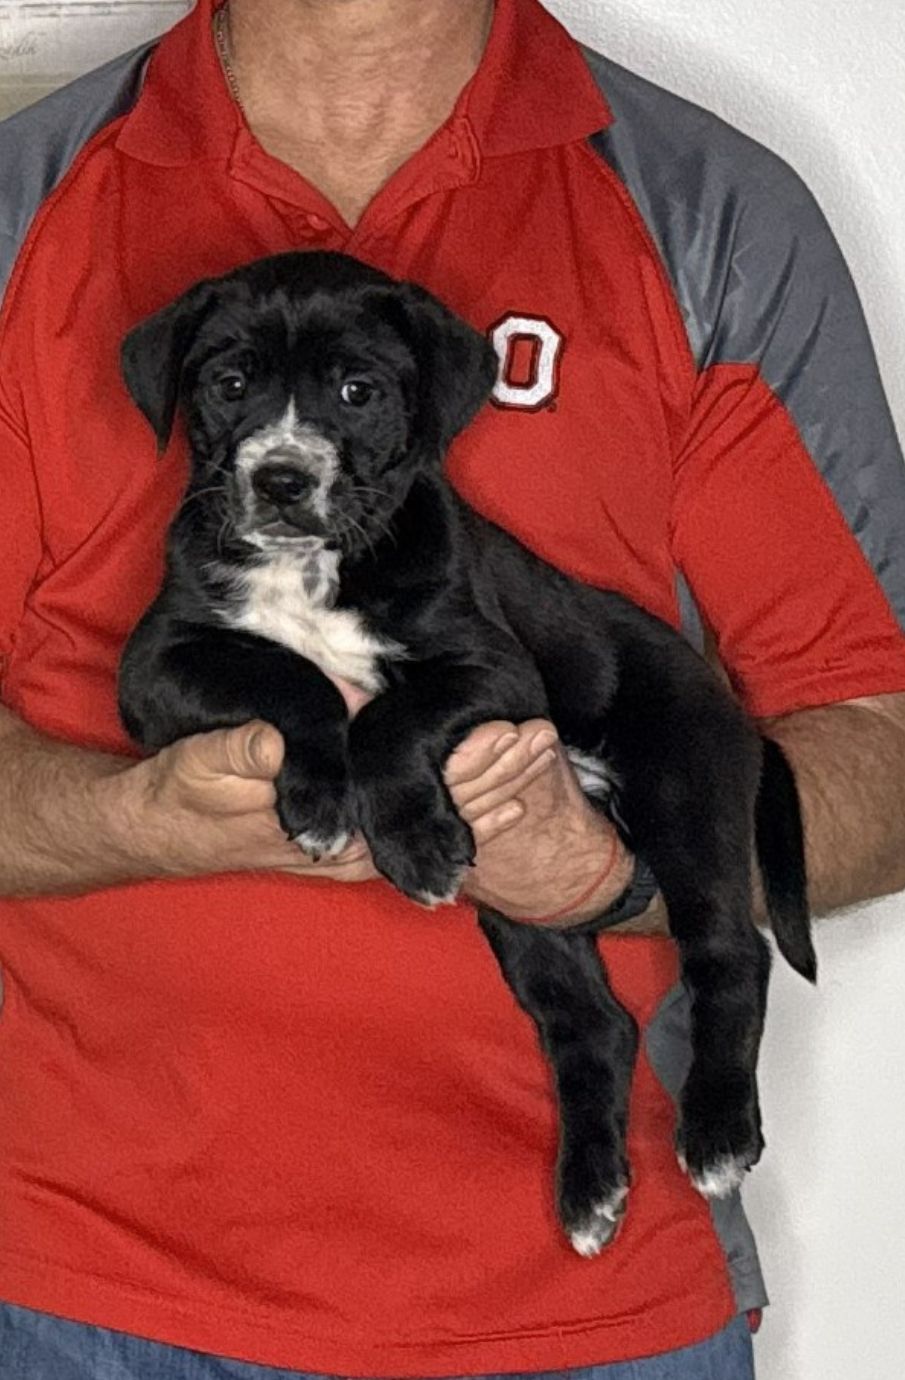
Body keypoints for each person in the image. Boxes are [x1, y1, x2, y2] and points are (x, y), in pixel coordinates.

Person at [0, 1, 903, 1376]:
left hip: (578, 1319)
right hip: (71, 1289)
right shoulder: (25, 205)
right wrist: (132, 823)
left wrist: (605, 877)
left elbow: (876, 750)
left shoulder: (706, 214)